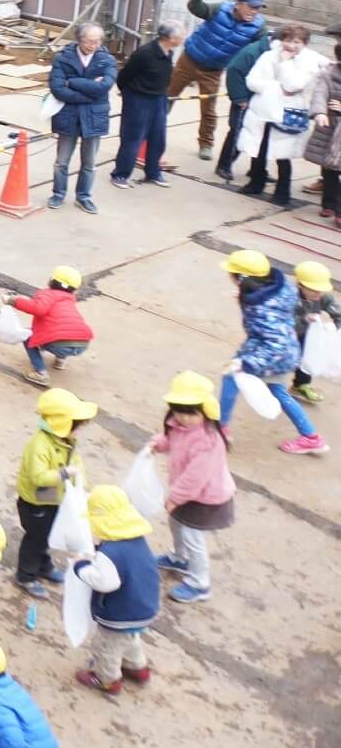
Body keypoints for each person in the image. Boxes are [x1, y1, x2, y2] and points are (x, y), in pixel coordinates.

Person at [217, 249, 326, 454]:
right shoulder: (280, 286)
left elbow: (273, 343)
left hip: (270, 354)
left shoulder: (261, 307)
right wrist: (243, 296)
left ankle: (220, 429)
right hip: (287, 351)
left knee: (231, 376)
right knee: (277, 390)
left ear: (240, 278)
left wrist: (247, 363)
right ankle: (311, 437)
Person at [150, 371, 234, 605]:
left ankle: (200, 583)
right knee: (175, 523)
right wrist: (160, 443)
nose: (184, 418)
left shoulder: (207, 439)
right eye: (179, 411)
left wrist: (176, 497)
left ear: (204, 410)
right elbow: (174, 440)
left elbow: (196, 477)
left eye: (191, 413)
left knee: (192, 536)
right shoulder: (178, 425)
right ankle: (179, 558)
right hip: (186, 493)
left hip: (204, 498)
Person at [71, 485, 161, 696]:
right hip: (144, 606)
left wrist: (81, 567)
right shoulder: (137, 541)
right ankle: (137, 668)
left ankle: (107, 679)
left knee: (106, 646)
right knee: (130, 639)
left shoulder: (110, 553)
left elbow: (106, 583)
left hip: (120, 612)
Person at [171, 0, 268, 162]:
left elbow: (265, 47)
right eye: (251, 6)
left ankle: (206, 143)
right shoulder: (220, 9)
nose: (254, 11)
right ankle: (150, 130)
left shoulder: (258, 27)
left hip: (213, 71)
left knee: (208, 109)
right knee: (167, 96)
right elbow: (195, 8)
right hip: (188, 60)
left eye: (257, 8)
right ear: (238, 4)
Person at [13, 387, 92, 597]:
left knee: (48, 536)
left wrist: (79, 479)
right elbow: (38, 477)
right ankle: (26, 576)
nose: (79, 431)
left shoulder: (65, 440)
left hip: (52, 498)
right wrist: (65, 473)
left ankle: (44, 568)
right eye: (77, 426)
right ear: (63, 425)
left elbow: (75, 460)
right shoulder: (38, 445)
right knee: (36, 539)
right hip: (35, 502)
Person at [236, 23, 327, 205]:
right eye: (287, 40)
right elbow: (252, 81)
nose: (291, 46)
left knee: (283, 154)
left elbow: (293, 85)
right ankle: (256, 182)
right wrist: (274, 87)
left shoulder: (310, 62)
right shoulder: (268, 56)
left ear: (305, 43)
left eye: (297, 42)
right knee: (258, 149)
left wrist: (285, 64)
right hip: (263, 110)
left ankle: (282, 191)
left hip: (289, 112)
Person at [45, 22, 116, 214]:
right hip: (69, 115)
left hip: (94, 116)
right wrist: (90, 90)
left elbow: (105, 87)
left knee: (89, 162)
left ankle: (83, 196)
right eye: (90, 41)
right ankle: (58, 193)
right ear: (79, 40)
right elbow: (58, 89)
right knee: (62, 160)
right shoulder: (63, 58)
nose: (94, 45)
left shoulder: (106, 59)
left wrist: (73, 82)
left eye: (98, 41)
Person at [109, 22, 182, 188]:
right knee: (133, 139)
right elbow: (125, 76)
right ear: (171, 38)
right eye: (181, 36)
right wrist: (129, 95)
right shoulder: (144, 54)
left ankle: (153, 172)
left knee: (158, 138)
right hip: (139, 99)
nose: (183, 38)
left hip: (159, 99)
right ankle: (120, 174)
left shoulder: (169, 52)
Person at [6, 265, 93, 388]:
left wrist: (14, 301)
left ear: (52, 281)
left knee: (27, 336)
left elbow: (38, 309)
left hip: (60, 343)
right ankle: (60, 361)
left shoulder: (48, 294)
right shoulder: (69, 299)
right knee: (64, 330)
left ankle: (40, 373)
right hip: (83, 343)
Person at [212, 32, 271, 181]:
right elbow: (234, 71)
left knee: (263, 136)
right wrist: (240, 98)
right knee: (237, 132)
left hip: (263, 102)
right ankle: (224, 165)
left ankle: (258, 169)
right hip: (245, 100)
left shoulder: (276, 54)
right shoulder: (253, 51)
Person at [290, 261, 338, 402]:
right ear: (300, 285)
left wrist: (336, 326)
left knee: (308, 356)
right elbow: (283, 320)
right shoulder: (289, 297)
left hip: (306, 333)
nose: (319, 293)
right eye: (314, 289)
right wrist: (303, 319)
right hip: (286, 333)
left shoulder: (323, 296)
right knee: (281, 359)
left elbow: (337, 312)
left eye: (322, 289)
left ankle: (300, 385)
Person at [310, 41, 341, 220]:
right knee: (329, 169)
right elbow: (320, 94)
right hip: (330, 127)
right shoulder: (328, 73)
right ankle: (328, 204)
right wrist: (319, 112)